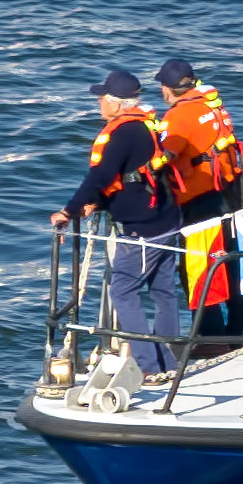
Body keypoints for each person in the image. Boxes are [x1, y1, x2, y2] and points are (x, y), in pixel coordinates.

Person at [51, 70, 183, 381]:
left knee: (123, 290)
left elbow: (100, 177)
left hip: (143, 227)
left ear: (115, 103)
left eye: (101, 98)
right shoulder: (143, 125)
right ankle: (168, 360)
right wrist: (103, 203)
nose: (98, 104)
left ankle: (148, 365)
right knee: (164, 292)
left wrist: (68, 211)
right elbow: (133, 177)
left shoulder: (121, 134)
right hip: (167, 217)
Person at [156, 58, 243, 340]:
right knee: (231, 259)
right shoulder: (213, 105)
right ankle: (241, 330)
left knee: (198, 266)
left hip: (198, 200)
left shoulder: (177, 117)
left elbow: (166, 155)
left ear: (167, 89)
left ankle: (209, 336)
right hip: (228, 193)